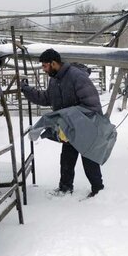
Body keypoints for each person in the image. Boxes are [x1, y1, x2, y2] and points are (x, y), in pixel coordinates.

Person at [20, 48, 105, 198]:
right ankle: (65, 188)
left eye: (45, 66)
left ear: (54, 63)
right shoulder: (55, 80)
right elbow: (46, 98)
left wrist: (71, 116)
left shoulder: (77, 77)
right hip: (69, 128)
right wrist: (26, 90)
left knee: (89, 159)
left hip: (85, 126)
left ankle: (98, 190)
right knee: (66, 159)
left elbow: (92, 105)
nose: (44, 70)